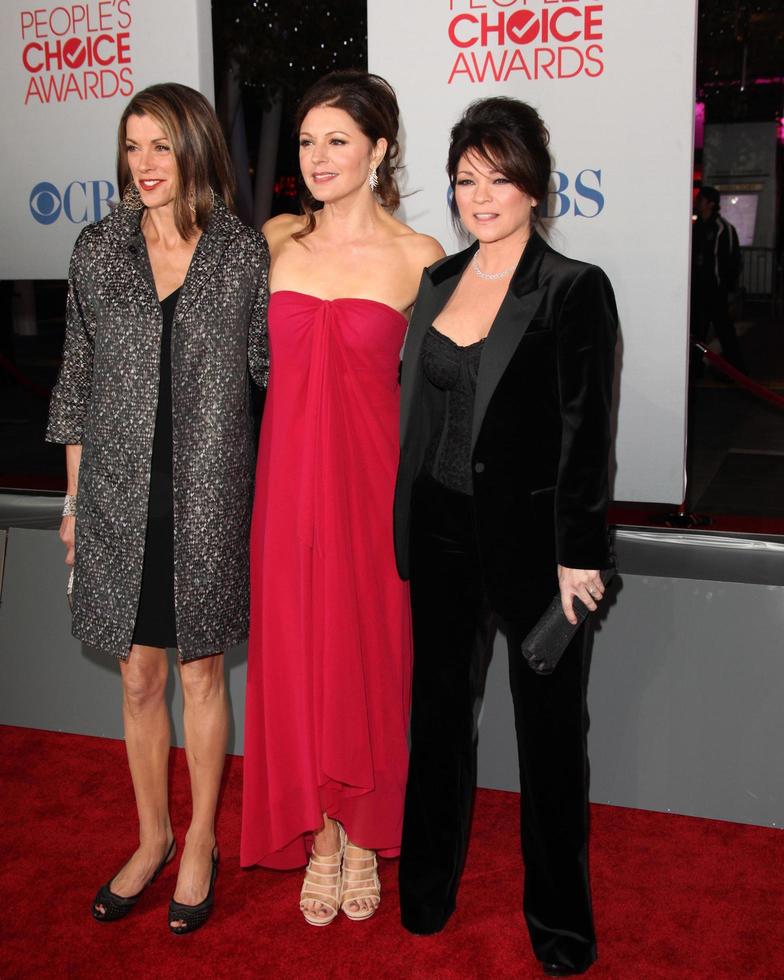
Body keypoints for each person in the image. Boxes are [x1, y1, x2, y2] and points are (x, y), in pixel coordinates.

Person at [394, 97, 617, 977]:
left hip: (536, 552)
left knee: (552, 742)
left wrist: (580, 556)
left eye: (498, 178)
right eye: (464, 179)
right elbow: (420, 416)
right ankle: (426, 894)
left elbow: (585, 434)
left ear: (533, 186)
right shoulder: (438, 282)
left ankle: (560, 926)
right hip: (444, 535)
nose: (479, 196)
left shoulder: (572, 289)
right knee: (440, 723)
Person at [46, 82, 269, 934]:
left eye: (161, 146)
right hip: (115, 495)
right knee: (139, 673)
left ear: (195, 150)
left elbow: (267, 376)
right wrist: (72, 501)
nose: (144, 164)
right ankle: (152, 838)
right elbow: (74, 383)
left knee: (199, 671)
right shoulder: (97, 249)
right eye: (132, 147)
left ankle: (203, 840)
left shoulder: (241, 254)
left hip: (209, 496)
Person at [240, 69, 443, 926]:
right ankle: (318, 839)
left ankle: (361, 832)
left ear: (379, 149)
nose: (317, 158)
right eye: (307, 142)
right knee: (296, 657)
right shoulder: (275, 243)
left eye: (337, 141)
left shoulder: (421, 257)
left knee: (366, 657)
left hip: (371, 491)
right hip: (285, 488)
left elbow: (442, 399)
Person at [691, 185, 745, 373]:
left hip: (716, 290)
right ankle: (694, 367)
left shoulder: (723, 228)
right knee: (697, 331)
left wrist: (727, 288)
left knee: (724, 331)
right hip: (698, 290)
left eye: (701, 199)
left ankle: (735, 370)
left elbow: (733, 259)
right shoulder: (696, 227)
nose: (697, 202)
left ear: (710, 203)